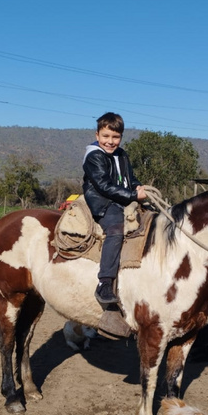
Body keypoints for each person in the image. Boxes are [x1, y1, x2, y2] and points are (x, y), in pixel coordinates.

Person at [83, 112, 147, 306]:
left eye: (115, 137)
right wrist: (133, 196)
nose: (110, 141)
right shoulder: (94, 156)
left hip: (122, 199)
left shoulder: (122, 155)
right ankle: (104, 282)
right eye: (106, 136)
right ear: (97, 136)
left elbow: (129, 178)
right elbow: (104, 186)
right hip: (103, 201)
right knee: (115, 229)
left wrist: (137, 187)